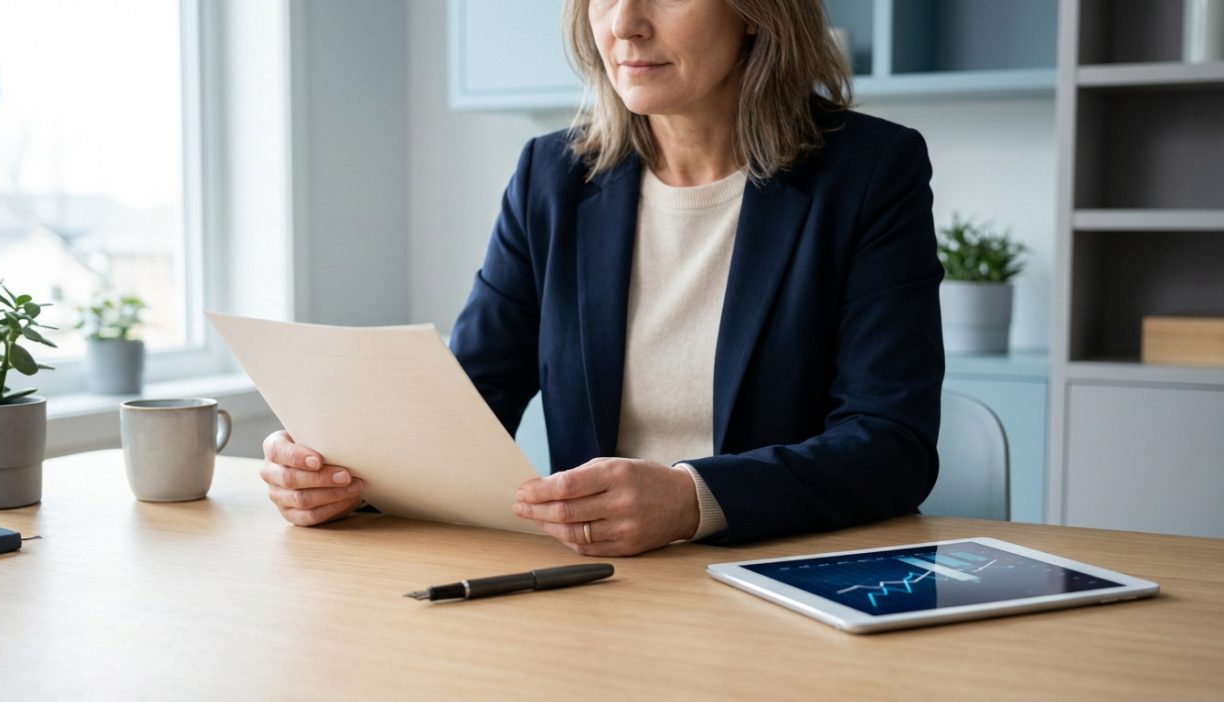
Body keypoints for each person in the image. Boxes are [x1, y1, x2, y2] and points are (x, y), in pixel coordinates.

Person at [260, 0, 944, 556]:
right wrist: (343, 473)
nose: (624, 22)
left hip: (782, 581)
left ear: (758, 13)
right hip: (600, 588)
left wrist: (690, 501)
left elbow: (891, 445)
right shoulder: (550, 178)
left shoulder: (872, 171)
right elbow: (468, 403)